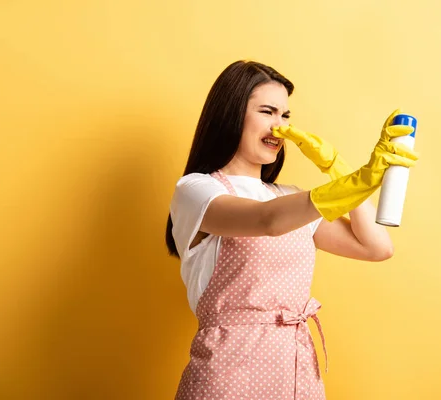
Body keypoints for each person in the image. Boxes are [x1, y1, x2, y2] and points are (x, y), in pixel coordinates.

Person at [165, 60, 418, 400]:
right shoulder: (198, 191)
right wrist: (359, 181)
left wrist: (339, 169)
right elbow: (265, 221)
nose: (279, 127)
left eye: (285, 116)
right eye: (267, 112)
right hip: (228, 374)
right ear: (231, 113)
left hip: (296, 369)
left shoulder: (289, 197)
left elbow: (376, 247)